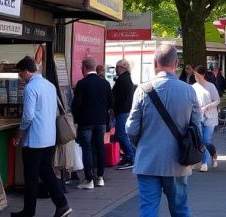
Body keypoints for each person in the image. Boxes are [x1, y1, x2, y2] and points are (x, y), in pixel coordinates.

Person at [126, 44, 200, 217]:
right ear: (176, 63)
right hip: (178, 162)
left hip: (147, 161)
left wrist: (141, 145)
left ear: (154, 63)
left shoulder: (142, 90)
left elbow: (131, 128)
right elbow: (196, 126)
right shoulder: (189, 91)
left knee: (148, 209)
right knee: (180, 209)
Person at [11, 56, 72, 217]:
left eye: (20, 74)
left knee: (31, 177)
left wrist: (19, 133)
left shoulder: (31, 88)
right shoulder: (49, 85)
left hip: (34, 140)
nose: (20, 77)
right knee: (46, 172)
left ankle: (29, 211)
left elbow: (28, 116)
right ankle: (62, 204)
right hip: (49, 138)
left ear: (25, 71)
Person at [71, 57, 113, 189]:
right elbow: (111, 102)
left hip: (86, 121)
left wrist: (76, 120)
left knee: (87, 148)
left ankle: (89, 179)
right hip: (101, 121)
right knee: (100, 147)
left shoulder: (82, 83)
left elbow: (76, 105)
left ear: (84, 68)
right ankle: (100, 177)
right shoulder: (105, 83)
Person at [192, 65, 220, 171]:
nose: (196, 77)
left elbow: (217, 100)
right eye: (195, 75)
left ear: (203, 75)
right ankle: (206, 161)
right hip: (198, 116)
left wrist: (207, 107)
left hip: (210, 116)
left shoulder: (210, 86)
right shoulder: (193, 87)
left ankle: (208, 157)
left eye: (197, 75)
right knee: (200, 140)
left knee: (205, 140)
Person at [111, 59, 136, 169]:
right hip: (124, 110)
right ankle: (129, 156)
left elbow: (118, 97)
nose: (116, 69)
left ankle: (130, 157)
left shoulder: (122, 80)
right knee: (122, 134)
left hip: (122, 111)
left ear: (123, 68)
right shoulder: (126, 79)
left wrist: (113, 106)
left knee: (122, 134)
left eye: (117, 67)